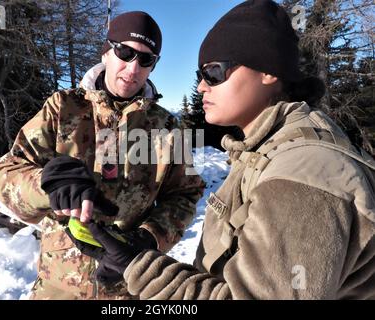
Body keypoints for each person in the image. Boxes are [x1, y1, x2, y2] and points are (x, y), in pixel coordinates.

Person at [84, 0, 375, 299]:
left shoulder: (304, 174)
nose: (201, 87)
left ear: (268, 70)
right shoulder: (268, 154)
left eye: (213, 72)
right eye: (200, 75)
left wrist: (143, 270)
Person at [0, 11, 205, 300]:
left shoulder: (167, 127)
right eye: (125, 52)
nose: (133, 69)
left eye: (145, 59)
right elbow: (7, 171)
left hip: (127, 289)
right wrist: (47, 185)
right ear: (106, 51)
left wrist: (149, 238)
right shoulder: (62, 108)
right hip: (58, 287)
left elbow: (185, 194)